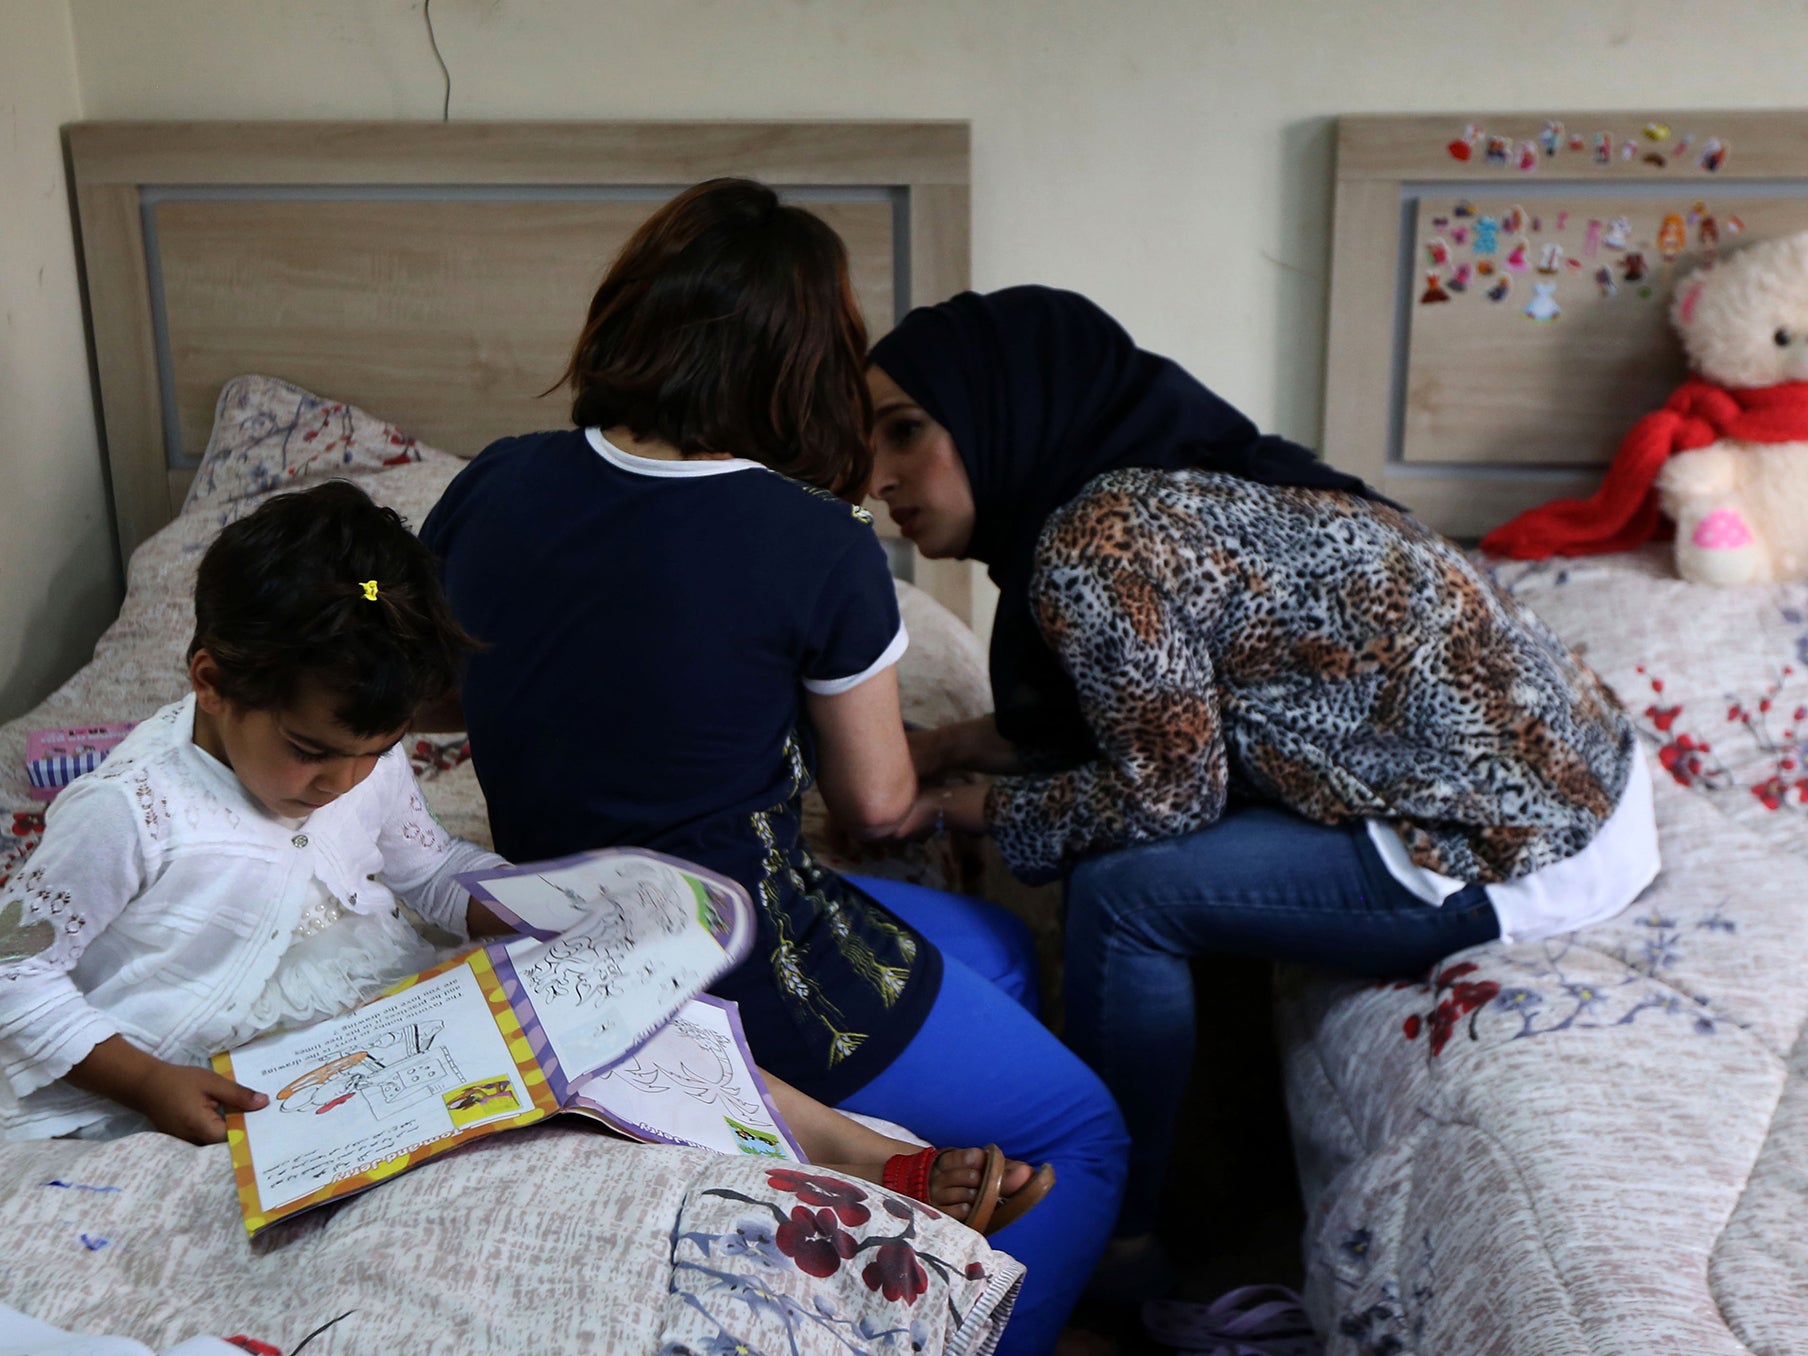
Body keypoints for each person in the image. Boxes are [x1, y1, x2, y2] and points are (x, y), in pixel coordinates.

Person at [419, 180, 1126, 1352]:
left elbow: (443, 687)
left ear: (629, 316)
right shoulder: (813, 543)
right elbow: (878, 799)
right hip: (744, 968)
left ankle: (878, 1202)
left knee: (998, 948)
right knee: (1083, 1131)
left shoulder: (498, 479)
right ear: (811, 365)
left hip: (554, 929)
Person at [865, 285, 1660, 1288]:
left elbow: (1164, 796)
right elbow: (1141, 716)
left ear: (1002, 410)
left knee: (1124, 894)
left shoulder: (1091, 543)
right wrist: (948, 748)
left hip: (1515, 834)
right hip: (1594, 774)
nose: (877, 478)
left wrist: (947, 805)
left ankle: (1114, 1238)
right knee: (1131, 850)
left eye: (904, 433)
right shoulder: (1155, 485)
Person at [0, 481, 1056, 1235]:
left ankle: (862, 1154)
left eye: (373, 757)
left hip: (336, 1022)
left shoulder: (361, 762)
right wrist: (146, 1083)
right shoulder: (130, 810)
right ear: (212, 680)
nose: (341, 786)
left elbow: (419, 872)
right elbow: (15, 976)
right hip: (181, 1069)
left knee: (620, 1015)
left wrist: (547, 915)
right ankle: (844, 1163)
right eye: (313, 754)